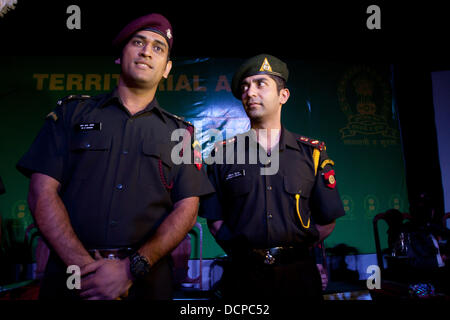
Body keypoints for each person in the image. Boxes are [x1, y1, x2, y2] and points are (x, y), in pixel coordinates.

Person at [16, 13, 214, 300]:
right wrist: (85, 269)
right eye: (138, 42)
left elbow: (187, 209)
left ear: (167, 68)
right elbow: (41, 192)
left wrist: (129, 270)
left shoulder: (180, 133)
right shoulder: (71, 114)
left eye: (158, 47)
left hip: (145, 281)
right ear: (120, 56)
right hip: (72, 278)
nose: (147, 51)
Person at [199, 54, 345, 300]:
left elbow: (326, 220)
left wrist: (294, 250)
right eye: (245, 87)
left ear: (283, 96)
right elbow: (215, 220)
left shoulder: (312, 153)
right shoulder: (221, 155)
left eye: (260, 84)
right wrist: (243, 250)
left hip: (299, 277)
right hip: (242, 277)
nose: (250, 92)